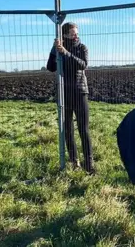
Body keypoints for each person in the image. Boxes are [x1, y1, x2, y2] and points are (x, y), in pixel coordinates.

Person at [46, 22, 94, 174]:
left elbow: (83, 64)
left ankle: (89, 162)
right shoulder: (59, 48)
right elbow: (50, 67)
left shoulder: (82, 47)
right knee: (67, 130)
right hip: (64, 93)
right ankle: (74, 161)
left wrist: (66, 52)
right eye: (73, 33)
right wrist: (55, 50)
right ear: (65, 34)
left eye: (77, 33)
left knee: (83, 129)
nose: (76, 36)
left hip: (80, 91)